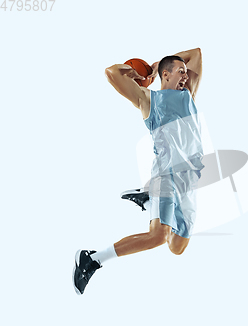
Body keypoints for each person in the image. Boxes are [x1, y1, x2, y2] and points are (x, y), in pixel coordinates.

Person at [73, 48, 204, 295]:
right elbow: (112, 73)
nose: (186, 74)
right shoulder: (149, 99)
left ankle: (147, 199)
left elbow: (196, 53)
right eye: (180, 71)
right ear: (166, 75)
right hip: (166, 175)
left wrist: (158, 64)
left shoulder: (189, 95)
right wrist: (144, 73)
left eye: (186, 72)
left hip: (189, 182)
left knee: (177, 247)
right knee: (157, 237)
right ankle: (93, 259)